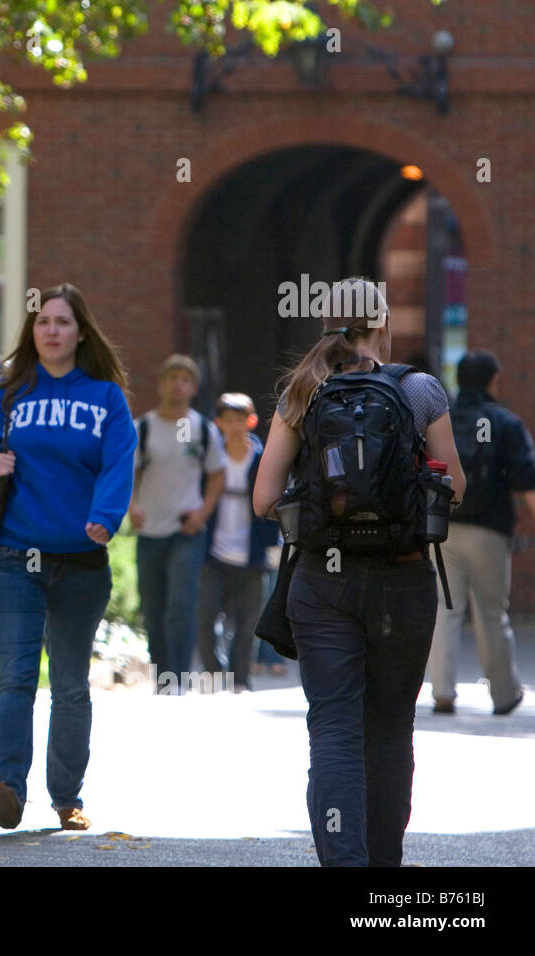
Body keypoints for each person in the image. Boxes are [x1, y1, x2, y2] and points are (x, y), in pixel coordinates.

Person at [253, 277, 466, 867]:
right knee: (391, 729)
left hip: (323, 582)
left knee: (334, 728)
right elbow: (455, 491)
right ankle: (382, 870)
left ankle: (343, 860)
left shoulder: (301, 392)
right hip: (403, 578)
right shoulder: (420, 389)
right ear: (382, 325)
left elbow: (264, 497)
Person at [0, 283, 136, 831]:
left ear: (81, 331)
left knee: (72, 685)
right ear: (31, 333)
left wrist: (105, 518)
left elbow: (118, 463)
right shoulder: (5, 393)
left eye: (62, 321)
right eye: (42, 322)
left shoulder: (105, 397)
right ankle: (8, 785)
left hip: (81, 561)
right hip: (13, 557)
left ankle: (67, 797)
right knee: (15, 676)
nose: (51, 330)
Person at [427, 350, 535, 715]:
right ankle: (503, 695)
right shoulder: (506, 423)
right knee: (492, 612)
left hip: (444, 526)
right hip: (490, 530)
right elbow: (526, 480)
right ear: (494, 380)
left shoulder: (444, 420)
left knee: (445, 608)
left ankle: (442, 691)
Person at [129, 355, 226, 689]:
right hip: (150, 529)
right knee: (153, 608)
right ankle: (162, 675)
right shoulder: (143, 428)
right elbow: (129, 475)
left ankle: (179, 678)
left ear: (193, 388)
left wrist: (202, 513)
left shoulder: (201, 429)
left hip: (187, 531)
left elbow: (217, 475)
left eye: (185, 379)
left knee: (180, 607)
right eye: (172, 378)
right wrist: (131, 507)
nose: (178, 384)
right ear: (161, 384)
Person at [197, 393, 281, 692]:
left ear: (252, 421)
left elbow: (273, 505)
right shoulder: (210, 459)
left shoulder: (262, 461)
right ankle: (214, 672)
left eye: (240, 420)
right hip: (214, 554)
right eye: (228, 421)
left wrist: (272, 550)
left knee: (248, 625)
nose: (234, 427)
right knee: (205, 617)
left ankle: (241, 679)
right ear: (218, 424)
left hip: (252, 555)